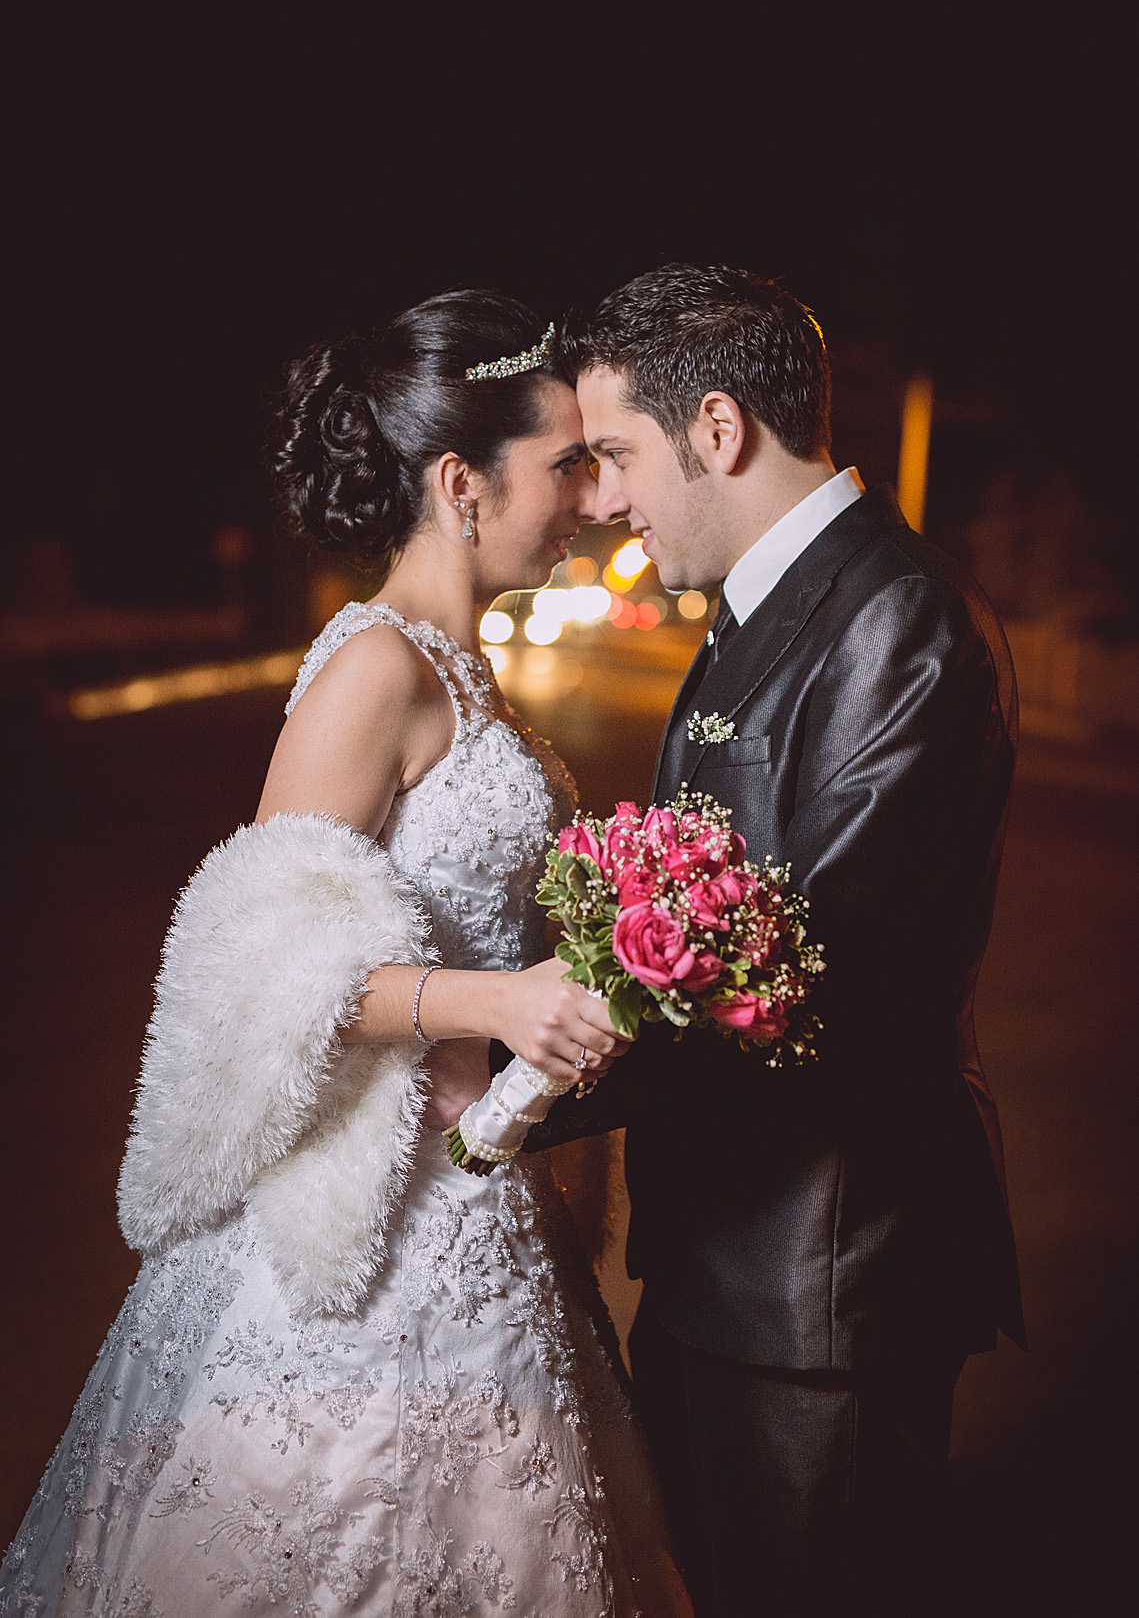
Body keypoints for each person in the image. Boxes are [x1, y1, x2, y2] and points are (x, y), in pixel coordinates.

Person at [0, 291, 692, 1618]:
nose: (590, 494)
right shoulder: (375, 669)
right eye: (565, 463)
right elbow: (251, 966)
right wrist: (503, 999)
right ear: (459, 484)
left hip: (481, 1194)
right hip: (373, 1234)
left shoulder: (464, 671)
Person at [520, 264, 1025, 1616]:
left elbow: (813, 973)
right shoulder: (756, 612)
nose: (607, 497)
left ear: (721, 430)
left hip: (827, 1281)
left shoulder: (895, 618)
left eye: (619, 453)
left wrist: (512, 1090)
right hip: (727, 1262)